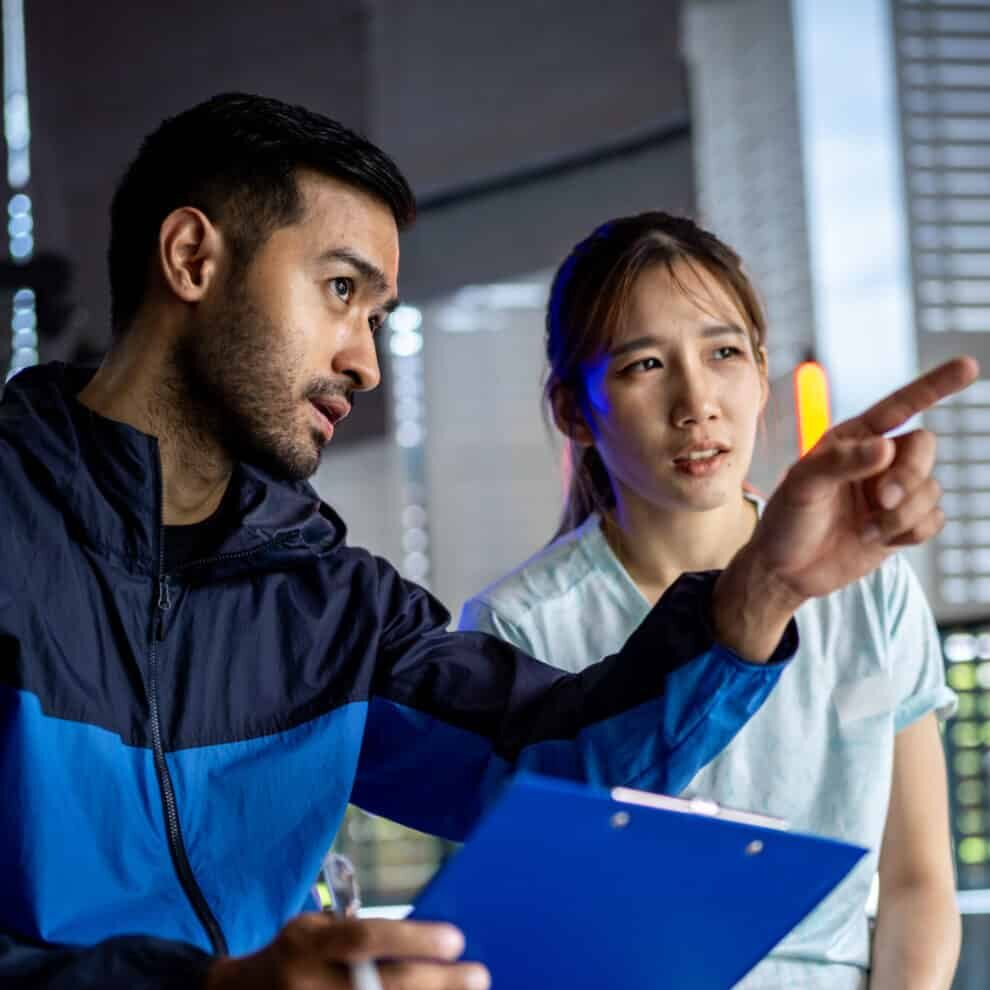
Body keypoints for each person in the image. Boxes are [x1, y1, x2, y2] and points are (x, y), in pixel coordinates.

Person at [0, 94, 973, 990]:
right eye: (341, 291)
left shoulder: (332, 608)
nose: (367, 363)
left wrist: (761, 590)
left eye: (378, 318)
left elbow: (558, 770)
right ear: (192, 259)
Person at [460, 212, 963, 990]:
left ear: (762, 373)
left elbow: (917, 883)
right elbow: (539, 925)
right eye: (644, 365)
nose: (697, 402)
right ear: (572, 411)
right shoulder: (522, 624)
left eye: (724, 353)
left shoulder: (871, 583)